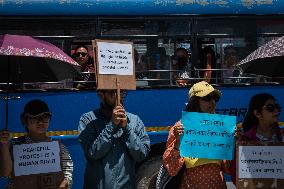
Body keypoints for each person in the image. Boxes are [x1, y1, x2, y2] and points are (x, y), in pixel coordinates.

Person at [163, 81, 230, 189]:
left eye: (215, 99)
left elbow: (228, 168)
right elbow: (172, 169)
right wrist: (178, 142)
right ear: (194, 102)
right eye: (207, 98)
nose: (212, 102)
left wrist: (233, 143)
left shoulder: (219, 127)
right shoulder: (180, 127)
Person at [78, 89, 150, 189]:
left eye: (122, 92)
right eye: (113, 93)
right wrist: (112, 125)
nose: (119, 97)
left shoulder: (134, 120)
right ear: (101, 95)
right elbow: (92, 153)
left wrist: (127, 129)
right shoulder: (88, 120)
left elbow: (142, 154)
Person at [0, 99, 73, 189]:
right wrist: (4, 145)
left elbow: (67, 176)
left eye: (45, 117)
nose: (40, 122)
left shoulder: (59, 148)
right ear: (25, 121)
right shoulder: (13, 146)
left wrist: (64, 185)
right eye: (34, 118)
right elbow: (5, 173)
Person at [230, 93, 282, 185]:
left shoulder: (281, 138)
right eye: (270, 107)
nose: (276, 111)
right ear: (257, 113)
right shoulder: (244, 141)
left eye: (277, 107)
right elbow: (236, 176)